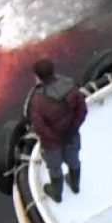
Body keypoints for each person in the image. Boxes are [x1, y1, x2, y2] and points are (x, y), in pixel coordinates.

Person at [26, 58, 88, 203]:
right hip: (72, 136)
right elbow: (82, 110)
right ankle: (75, 185)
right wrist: (73, 128)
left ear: (38, 77)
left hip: (52, 144)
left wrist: (54, 138)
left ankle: (57, 194)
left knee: (54, 167)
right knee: (74, 160)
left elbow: (39, 126)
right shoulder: (71, 87)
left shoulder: (37, 101)